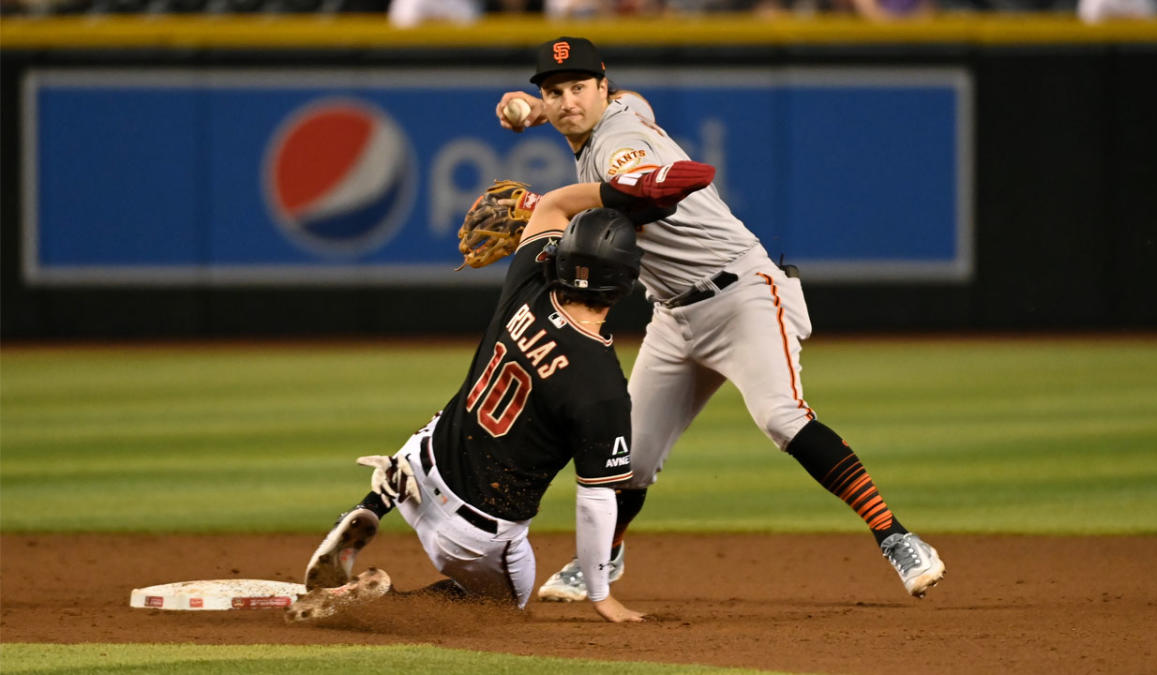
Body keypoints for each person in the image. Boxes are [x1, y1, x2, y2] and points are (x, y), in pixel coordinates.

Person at [495, 36, 947, 604]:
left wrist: (548, 206)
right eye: (555, 91)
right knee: (628, 457)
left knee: (782, 417)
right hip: (674, 315)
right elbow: (634, 101)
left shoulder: (619, 144)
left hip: (741, 295)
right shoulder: (623, 109)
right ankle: (605, 557)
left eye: (578, 88)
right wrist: (536, 112)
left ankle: (897, 537)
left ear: (601, 87)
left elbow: (642, 199)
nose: (567, 101)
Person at [295, 166, 714, 623]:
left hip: (425, 461)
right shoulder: (603, 387)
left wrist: (616, 193)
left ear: (561, 256)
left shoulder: (528, 283)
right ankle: (380, 598)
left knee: (447, 420)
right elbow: (597, 501)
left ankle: (378, 499)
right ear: (626, 283)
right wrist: (601, 597)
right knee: (505, 606)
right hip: (469, 536)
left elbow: (553, 204)